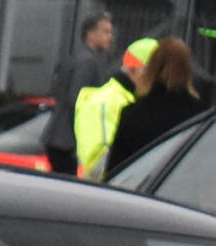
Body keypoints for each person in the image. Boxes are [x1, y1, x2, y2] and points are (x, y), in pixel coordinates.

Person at [105, 37, 211, 175]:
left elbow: (115, 169)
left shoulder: (132, 113)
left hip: (138, 190)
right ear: (187, 69)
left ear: (152, 67)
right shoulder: (201, 116)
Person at [43, 12, 117, 175]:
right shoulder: (88, 61)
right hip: (67, 141)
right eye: (105, 32)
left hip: (59, 137)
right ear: (90, 33)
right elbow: (77, 99)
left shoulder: (77, 57)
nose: (110, 37)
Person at [75, 37, 160, 177]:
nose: (157, 79)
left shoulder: (139, 102)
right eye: (152, 72)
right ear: (133, 69)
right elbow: (97, 164)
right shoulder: (103, 102)